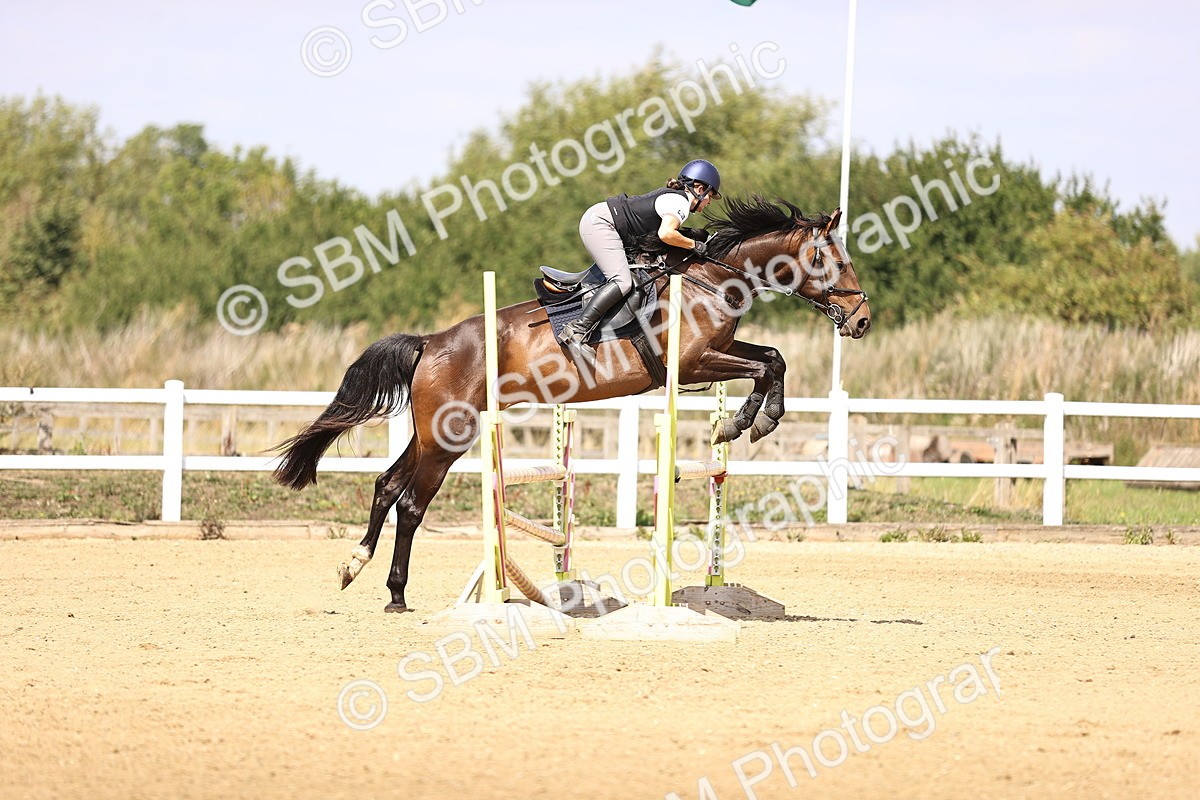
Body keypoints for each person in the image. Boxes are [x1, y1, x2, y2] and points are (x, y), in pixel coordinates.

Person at [560, 159, 722, 362]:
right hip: (601, 223)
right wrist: (694, 245)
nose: (708, 202)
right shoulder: (680, 202)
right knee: (623, 281)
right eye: (710, 197)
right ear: (699, 189)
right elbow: (666, 234)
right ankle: (576, 330)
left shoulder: (675, 199)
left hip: (604, 222)